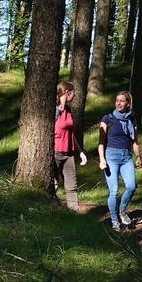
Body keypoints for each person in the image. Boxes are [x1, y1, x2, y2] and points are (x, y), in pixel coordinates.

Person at [99, 91, 142, 231]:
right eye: (117, 100)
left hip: (126, 157)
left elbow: (135, 142)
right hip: (111, 156)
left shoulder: (131, 121)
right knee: (114, 191)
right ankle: (114, 221)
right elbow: (101, 142)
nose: (118, 103)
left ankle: (122, 211)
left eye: (122, 101)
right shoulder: (107, 119)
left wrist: (138, 157)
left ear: (128, 103)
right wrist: (102, 159)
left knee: (131, 186)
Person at [53, 81, 87, 211]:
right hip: (55, 153)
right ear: (67, 93)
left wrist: (80, 151)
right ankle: (51, 210)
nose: (74, 96)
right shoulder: (53, 111)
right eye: (73, 93)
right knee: (53, 185)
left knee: (72, 185)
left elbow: (70, 134)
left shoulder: (68, 110)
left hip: (68, 154)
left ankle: (74, 211)